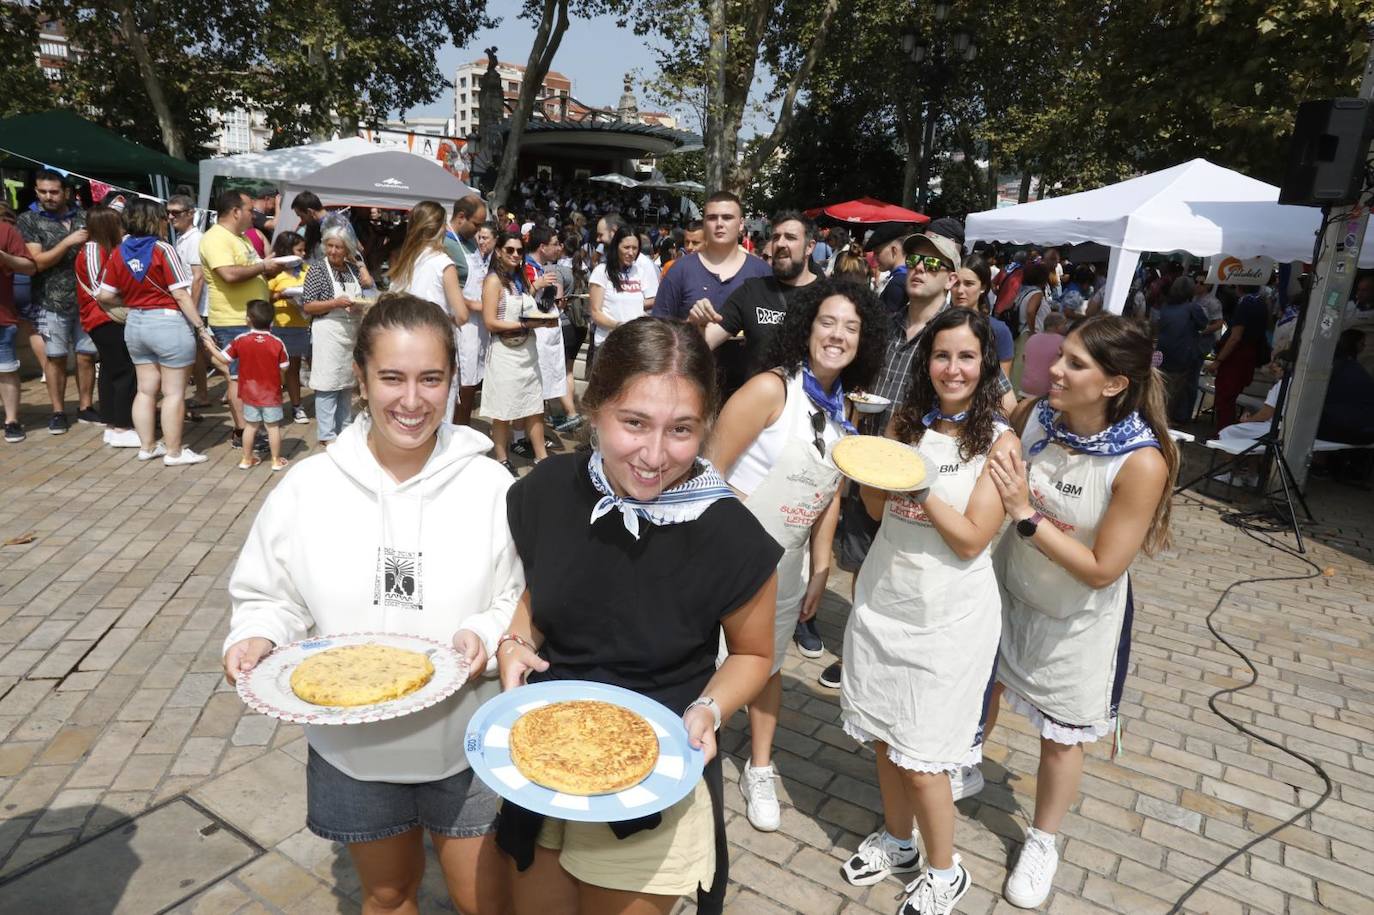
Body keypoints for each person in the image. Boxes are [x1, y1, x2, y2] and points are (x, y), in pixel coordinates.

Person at [222, 293, 522, 915]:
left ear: (454, 381)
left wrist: (485, 633)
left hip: (466, 739)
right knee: (387, 894)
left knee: (483, 902)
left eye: (430, 379)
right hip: (352, 751)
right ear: (360, 378)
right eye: (392, 378)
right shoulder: (309, 487)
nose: (411, 401)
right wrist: (256, 634)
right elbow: (268, 593)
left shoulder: (493, 486)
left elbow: (519, 596)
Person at [496, 317, 781, 915]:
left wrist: (709, 707)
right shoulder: (546, 489)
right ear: (595, 407)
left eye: (681, 430)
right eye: (634, 423)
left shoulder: (731, 534)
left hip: (654, 777)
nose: (654, 455)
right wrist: (517, 638)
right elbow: (542, 592)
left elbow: (754, 655)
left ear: (707, 427)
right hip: (544, 762)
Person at [983, 314, 1177, 909]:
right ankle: (958, 766)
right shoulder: (1041, 414)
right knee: (980, 687)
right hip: (1009, 590)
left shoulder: (1140, 462)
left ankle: (1043, 840)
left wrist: (1025, 513)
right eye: (1059, 355)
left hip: (1075, 620)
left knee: (1060, 737)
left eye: (1073, 363)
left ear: (1115, 384)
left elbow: (1101, 568)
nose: (1054, 370)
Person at [840, 308, 1017, 915]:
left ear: (985, 364)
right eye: (942, 356)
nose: (952, 368)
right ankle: (898, 843)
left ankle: (946, 870)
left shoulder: (1000, 441)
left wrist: (918, 486)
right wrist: (871, 458)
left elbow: (972, 538)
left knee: (923, 758)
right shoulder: (905, 422)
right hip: (886, 597)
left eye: (966, 356)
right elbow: (871, 505)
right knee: (886, 740)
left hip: (949, 618)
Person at [709, 279, 886, 833]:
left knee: (767, 666)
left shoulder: (843, 417)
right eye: (828, 322)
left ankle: (759, 767)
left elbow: (829, 494)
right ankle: (695, 755)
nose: (837, 335)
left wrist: (821, 564)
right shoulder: (769, 390)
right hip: (727, 555)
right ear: (807, 326)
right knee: (702, 660)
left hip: (784, 564)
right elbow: (708, 471)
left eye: (851, 328)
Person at [96, 198, 221, 466]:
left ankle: (147, 446)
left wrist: (131, 302)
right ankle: (174, 452)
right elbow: (180, 294)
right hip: (168, 324)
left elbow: (104, 294)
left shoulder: (119, 251)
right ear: (154, 219)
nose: (167, 221)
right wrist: (200, 327)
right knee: (174, 392)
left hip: (136, 324)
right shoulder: (163, 249)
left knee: (145, 390)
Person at [689, 211, 819, 396]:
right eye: (776, 237)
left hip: (811, 411)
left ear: (809, 247)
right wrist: (698, 324)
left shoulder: (829, 296)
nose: (780, 243)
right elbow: (705, 342)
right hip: (757, 411)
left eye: (790, 237)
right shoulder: (752, 291)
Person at [202, 189, 285, 451]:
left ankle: (249, 430)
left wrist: (272, 265)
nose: (255, 215)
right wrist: (263, 267)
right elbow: (228, 274)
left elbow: (251, 267)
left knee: (248, 377)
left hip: (250, 319)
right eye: (251, 210)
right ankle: (243, 432)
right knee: (238, 378)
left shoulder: (240, 238)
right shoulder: (216, 239)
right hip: (233, 320)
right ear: (236, 211)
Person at [17, 169, 96, 433]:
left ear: (66, 192)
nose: (48, 197)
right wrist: (67, 242)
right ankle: (58, 411)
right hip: (50, 301)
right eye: (42, 192)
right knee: (56, 358)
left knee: (86, 356)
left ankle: (86, 407)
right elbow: (37, 262)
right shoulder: (29, 220)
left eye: (53, 192)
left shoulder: (85, 216)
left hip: (86, 300)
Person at [481, 231, 557, 473]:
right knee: (503, 410)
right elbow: (491, 323)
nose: (515, 254)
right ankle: (502, 458)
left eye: (519, 251)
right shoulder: (493, 281)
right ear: (499, 251)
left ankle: (542, 458)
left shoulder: (520, 278)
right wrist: (525, 324)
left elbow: (525, 308)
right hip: (504, 352)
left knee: (534, 406)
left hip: (528, 351)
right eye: (509, 250)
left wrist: (544, 319)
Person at [301, 224, 375, 445]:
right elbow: (308, 306)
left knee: (345, 382)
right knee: (326, 383)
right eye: (329, 246)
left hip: (350, 330)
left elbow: (364, 292)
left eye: (338, 247)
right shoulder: (318, 270)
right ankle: (326, 433)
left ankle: (344, 428)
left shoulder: (352, 270)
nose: (333, 251)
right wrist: (335, 303)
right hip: (328, 330)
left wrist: (359, 306)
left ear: (347, 249)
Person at [74, 205, 139, 447]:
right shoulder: (92, 249)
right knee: (124, 371)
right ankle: (122, 426)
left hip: (103, 317)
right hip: (102, 317)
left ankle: (112, 423)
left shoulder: (105, 249)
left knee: (112, 370)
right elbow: (98, 289)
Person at [651, 193, 766, 321]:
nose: (719, 224)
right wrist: (690, 325)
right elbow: (659, 329)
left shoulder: (762, 272)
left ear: (741, 223)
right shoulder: (680, 270)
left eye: (727, 217)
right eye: (712, 218)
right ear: (704, 223)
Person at [223, 299, 290, 471]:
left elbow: (225, 358)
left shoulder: (241, 339)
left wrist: (208, 344)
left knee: (250, 426)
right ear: (272, 322)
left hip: (249, 393)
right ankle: (275, 460)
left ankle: (246, 459)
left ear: (247, 320)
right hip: (271, 394)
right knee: (272, 427)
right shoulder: (277, 342)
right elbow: (285, 367)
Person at [167, 196, 212, 411]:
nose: (170, 217)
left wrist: (190, 309)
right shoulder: (182, 237)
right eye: (169, 212)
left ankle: (204, 393)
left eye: (176, 212)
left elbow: (198, 277)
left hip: (196, 305)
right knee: (198, 352)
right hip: (189, 304)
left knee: (202, 351)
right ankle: (202, 392)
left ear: (190, 213)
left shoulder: (195, 239)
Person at [265, 231, 312, 423]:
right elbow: (265, 298)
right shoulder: (274, 274)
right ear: (286, 251)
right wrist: (278, 296)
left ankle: (297, 406)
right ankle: (276, 406)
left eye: (303, 250)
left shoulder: (307, 269)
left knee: (295, 367)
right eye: (299, 250)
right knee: (279, 370)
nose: (302, 253)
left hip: (303, 324)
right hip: (280, 325)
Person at [1206, 291, 1269, 431]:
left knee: (1225, 400)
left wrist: (1218, 360)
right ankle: (1224, 432)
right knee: (1227, 399)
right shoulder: (1261, 302)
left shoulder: (1246, 303)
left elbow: (1235, 337)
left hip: (1237, 360)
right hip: (1246, 358)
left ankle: (1224, 434)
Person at [588, 226, 655, 357]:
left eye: (635, 248)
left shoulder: (639, 271)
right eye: (626, 247)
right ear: (616, 247)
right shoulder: (601, 272)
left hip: (634, 344)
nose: (631, 252)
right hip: (608, 344)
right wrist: (619, 326)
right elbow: (595, 312)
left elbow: (645, 303)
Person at [0, 199, 36, 443]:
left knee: (7, 370)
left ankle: (11, 420)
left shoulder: (6, 231)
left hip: (1, 316)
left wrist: (4, 257)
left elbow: (29, 266)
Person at [1152, 276, 1207, 423]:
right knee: (1181, 389)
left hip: (1162, 353)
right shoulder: (1193, 308)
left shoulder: (1165, 307)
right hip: (1183, 354)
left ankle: (1159, 417)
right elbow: (1203, 324)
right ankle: (1177, 419)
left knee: (1162, 388)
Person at [952, 254, 1013, 382]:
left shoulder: (998, 330)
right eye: (956, 283)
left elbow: (1002, 386)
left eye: (969, 284)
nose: (960, 290)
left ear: (983, 287)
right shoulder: (937, 325)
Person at [457, 222, 495, 426]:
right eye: (479, 237)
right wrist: (480, 306)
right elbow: (454, 294)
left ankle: (464, 425)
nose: (481, 241)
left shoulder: (493, 265)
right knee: (465, 380)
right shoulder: (468, 261)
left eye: (485, 238)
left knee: (474, 381)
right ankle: (459, 425)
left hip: (484, 330)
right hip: (467, 327)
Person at [1020, 312, 1069, 398]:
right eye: (1064, 324)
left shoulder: (1032, 338)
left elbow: (1024, 359)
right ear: (1057, 326)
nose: (1066, 327)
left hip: (1026, 387)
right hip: (1046, 390)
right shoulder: (1063, 342)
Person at [865, 224, 911, 315]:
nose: (874, 258)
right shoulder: (905, 277)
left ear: (894, 250)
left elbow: (887, 322)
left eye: (877, 253)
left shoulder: (898, 282)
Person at [291, 191, 327, 259]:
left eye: (301, 216)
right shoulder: (315, 226)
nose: (302, 222)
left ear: (310, 212)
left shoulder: (332, 227)